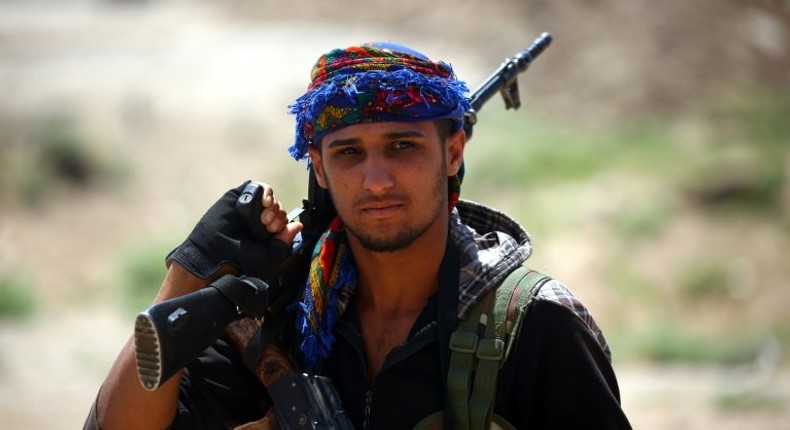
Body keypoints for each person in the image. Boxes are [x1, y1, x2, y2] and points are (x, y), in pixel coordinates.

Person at [85, 42, 632, 429]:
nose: (376, 180)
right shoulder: (284, 315)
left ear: (453, 153)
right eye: (349, 153)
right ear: (319, 170)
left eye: (402, 146)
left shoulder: (534, 326)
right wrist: (192, 269)